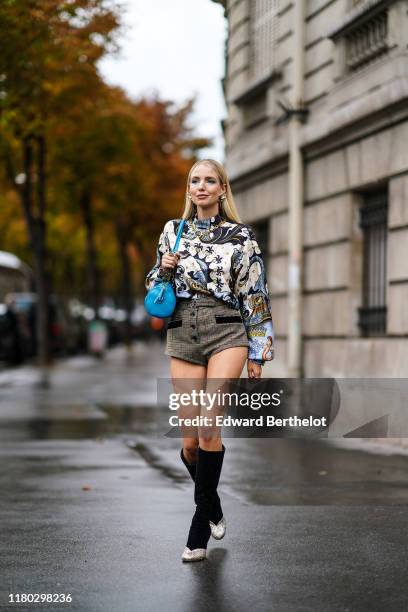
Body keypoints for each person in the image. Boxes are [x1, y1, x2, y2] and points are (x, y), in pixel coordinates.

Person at [145, 159, 275, 562]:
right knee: (188, 445)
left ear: (222, 189)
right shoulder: (173, 231)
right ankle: (214, 505)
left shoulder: (241, 237)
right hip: (183, 331)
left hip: (226, 330)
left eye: (209, 180)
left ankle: (197, 534)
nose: (201, 187)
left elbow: (255, 293)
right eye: (194, 181)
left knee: (207, 429)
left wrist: (258, 351)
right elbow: (154, 289)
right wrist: (163, 270)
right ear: (189, 190)